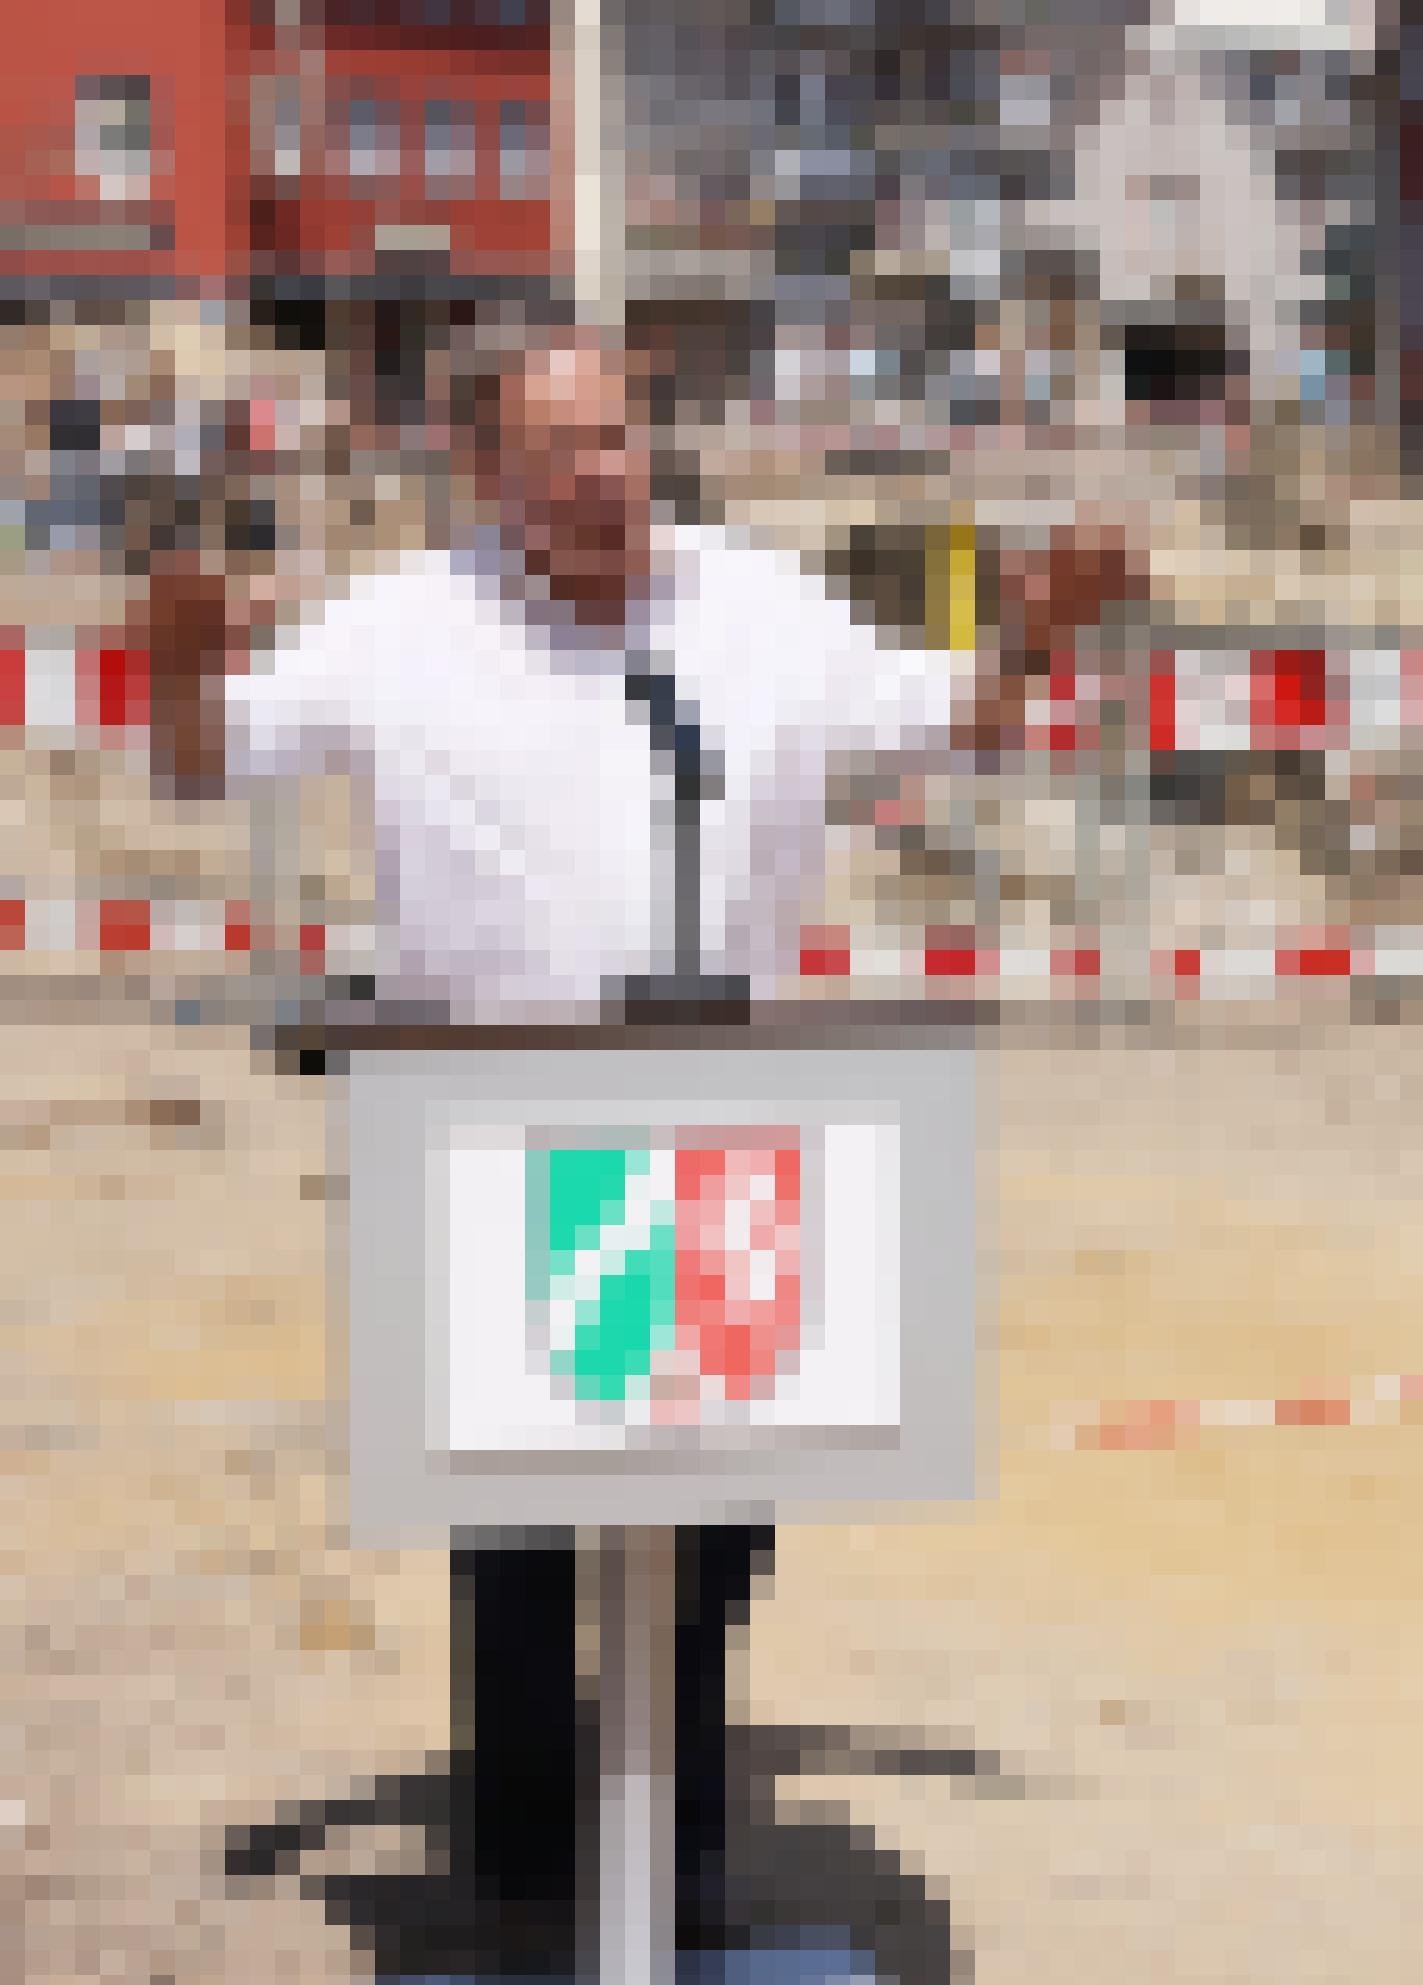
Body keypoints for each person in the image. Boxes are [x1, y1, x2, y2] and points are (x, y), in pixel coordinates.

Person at [147, 315, 1140, 1960]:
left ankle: (674, 1845)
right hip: (491, 1135)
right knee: (524, 1538)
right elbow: (201, 768)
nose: (605, 476)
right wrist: (179, 659)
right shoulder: (399, 628)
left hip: (723, 1131)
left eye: (619, 437)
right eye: (561, 452)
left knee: (713, 1526)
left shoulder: (755, 608)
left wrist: (1032, 636)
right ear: (484, 469)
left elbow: (949, 721)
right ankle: (534, 1868)